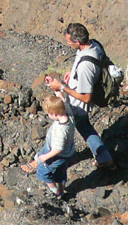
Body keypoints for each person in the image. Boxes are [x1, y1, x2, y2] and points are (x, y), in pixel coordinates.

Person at [45, 22, 116, 170]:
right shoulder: (93, 44)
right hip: (81, 85)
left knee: (79, 127)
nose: (67, 44)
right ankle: (105, 159)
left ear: (77, 41)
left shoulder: (85, 67)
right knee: (84, 127)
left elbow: (86, 97)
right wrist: (74, 73)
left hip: (79, 104)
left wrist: (61, 87)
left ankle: (105, 159)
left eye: (68, 41)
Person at [21, 94, 75, 197]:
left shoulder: (61, 131)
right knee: (60, 171)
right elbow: (63, 100)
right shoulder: (68, 113)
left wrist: (45, 157)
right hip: (68, 152)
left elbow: (58, 149)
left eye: (48, 113)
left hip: (58, 155)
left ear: (54, 114)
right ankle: (62, 189)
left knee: (43, 171)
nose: (48, 115)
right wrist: (57, 90)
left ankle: (56, 192)